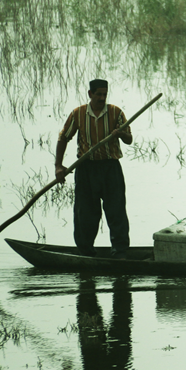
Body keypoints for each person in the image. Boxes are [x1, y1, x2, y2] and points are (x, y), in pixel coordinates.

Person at [54, 79, 133, 258]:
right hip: (86, 168)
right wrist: (59, 166)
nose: (102, 98)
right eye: (98, 94)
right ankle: (86, 252)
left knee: (116, 211)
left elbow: (129, 139)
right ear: (90, 94)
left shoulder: (115, 112)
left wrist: (120, 133)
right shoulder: (78, 114)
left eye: (105, 94)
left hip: (110, 168)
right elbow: (63, 138)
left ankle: (120, 253)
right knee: (85, 214)